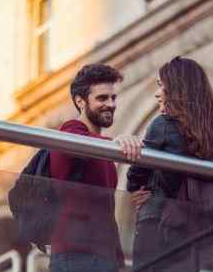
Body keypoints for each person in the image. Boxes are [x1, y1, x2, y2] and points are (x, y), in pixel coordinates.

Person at [126, 57, 213, 272]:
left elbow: (134, 177)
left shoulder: (162, 125)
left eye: (161, 86)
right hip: (192, 232)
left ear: (175, 89)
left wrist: (141, 187)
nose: (157, 94)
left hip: (158, 224)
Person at [48, 64, 142, 272]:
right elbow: (78, 142)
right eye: (102, 98)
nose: (110, 104)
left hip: (101, 256)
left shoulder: (103, 148)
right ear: (80, 101)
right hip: (76, 255)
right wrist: (115, 141)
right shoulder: (71, 129)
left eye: (113, 98)